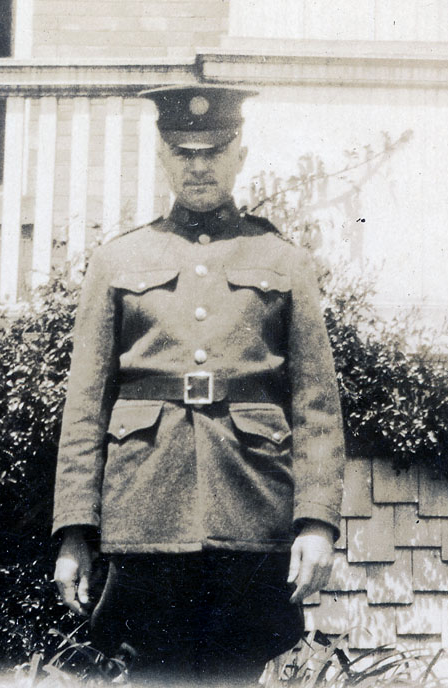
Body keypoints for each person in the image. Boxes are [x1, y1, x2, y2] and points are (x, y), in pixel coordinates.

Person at [52, 84, 345, 684]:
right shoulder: (118, 261)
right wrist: (74, 532)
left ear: (240, 155)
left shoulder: (284, 261)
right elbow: (85, 406)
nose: (199, 165)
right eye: (184, 153)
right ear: (163, 156)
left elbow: (316, 405)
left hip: (250, 511)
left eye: (214, 151)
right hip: (146, 515)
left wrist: (316, 523)